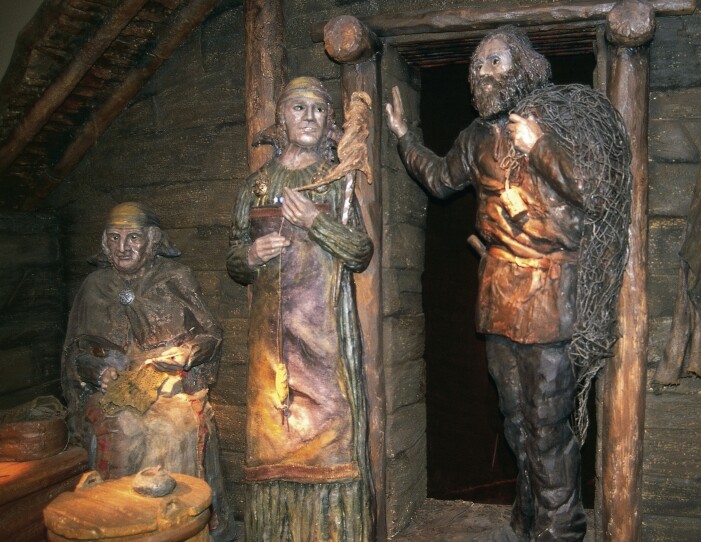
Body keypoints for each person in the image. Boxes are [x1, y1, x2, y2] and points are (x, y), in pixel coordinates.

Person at [386, 25, 631, 542]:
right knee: (516, 420)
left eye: (493, 62)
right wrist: (404, 137)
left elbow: (593, 191)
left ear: (522, 67)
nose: (480, 73)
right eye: (476, 66)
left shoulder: (558, 124)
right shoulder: (475, 137)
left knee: (548, 424)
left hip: (550, 296)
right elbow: (439, 179)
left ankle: (562, 527)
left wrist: (538, 143)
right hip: (499, 295)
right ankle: (528, 517)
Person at [227, 76, 374, 541]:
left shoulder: (339, 182)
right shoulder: (255, 187)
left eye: (318, 109)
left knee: (331, 442)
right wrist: (250, 256)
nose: (308, 116)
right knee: (273, 445)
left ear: (330, 122)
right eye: (298, 108)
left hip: (324, 338)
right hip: (270, 346)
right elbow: (234, 253)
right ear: (282, 120)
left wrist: (314, 222)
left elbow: (360, 251)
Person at [61, 201, 235, 542]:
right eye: (113, 238)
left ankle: (179, 525)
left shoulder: (175, 277)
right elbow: (74, 352)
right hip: (110, 392)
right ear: (103, 242)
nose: (122, 247)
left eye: (133, 238)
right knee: (124, 427)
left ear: (153, 240)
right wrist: (97, 371)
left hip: (170, 386)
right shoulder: (94, 286)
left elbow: (211, 333)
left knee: (173, 427)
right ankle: (122, 525)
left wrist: (186, 353)